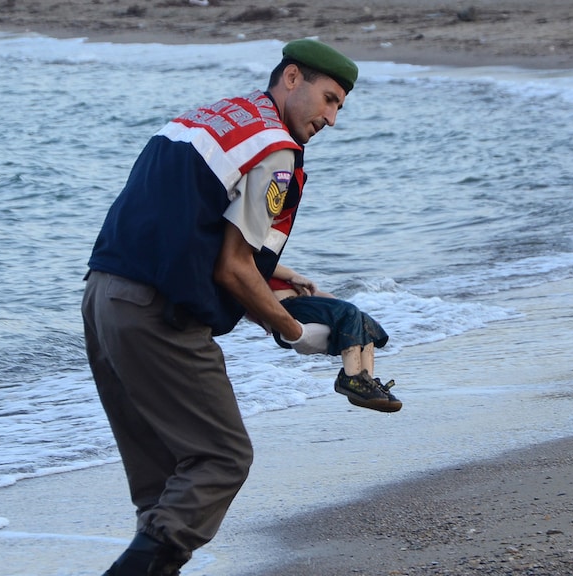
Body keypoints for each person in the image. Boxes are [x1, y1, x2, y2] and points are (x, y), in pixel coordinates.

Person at [80, 39, 394, 576]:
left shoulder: (214, 117)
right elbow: (230, 268)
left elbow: (185, 220)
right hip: (158, 315)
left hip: (103, 298)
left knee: (163, 487)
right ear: (291, 78)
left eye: (340, 105)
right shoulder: (276, 148)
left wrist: (270, 272)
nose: (333, 118)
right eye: (329, 98)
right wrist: (292, 330)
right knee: (222, 459)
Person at [267, 264, 401, 413]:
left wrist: (351, 316)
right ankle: (351, 379)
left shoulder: (290, 282)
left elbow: (326, 299)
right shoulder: (260, 265)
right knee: (350, 312)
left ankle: (366, 384)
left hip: (304, 305)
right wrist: (292, 275)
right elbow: (262, 263)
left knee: (362, 320)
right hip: (286, 307)